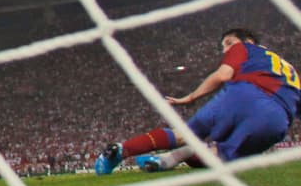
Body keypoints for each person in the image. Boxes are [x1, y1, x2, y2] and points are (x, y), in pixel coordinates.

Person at [96, 28, 300, 174]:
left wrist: (191, 97)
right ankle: (167, 160)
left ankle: (121, 151)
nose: (225, 49)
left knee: (184, 134)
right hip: (277, 119)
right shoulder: (290, 70)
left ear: (247, 41)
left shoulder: (243, 49)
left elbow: (223, 75)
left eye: (228, 43)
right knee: (223, 155)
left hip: (244, 95)